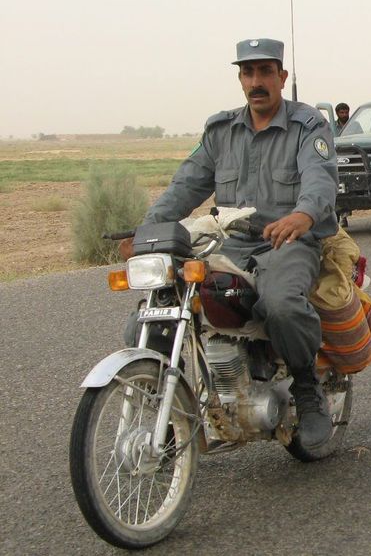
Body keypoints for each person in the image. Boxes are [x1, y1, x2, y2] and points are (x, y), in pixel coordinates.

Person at [119, 38, 340, 449]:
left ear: (281, 77)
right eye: (247, 72)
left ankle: (308, 389)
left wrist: (303, 214)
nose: (256, 82)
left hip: (287, 242)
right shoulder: (221, 132)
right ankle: (165, 407)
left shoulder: (308, 127)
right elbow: (185, 186)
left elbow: (320, 178)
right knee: (160, 303)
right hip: (229, 243)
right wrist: (146, 232)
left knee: (281, 305)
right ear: (240, 78)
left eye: (265, 72)